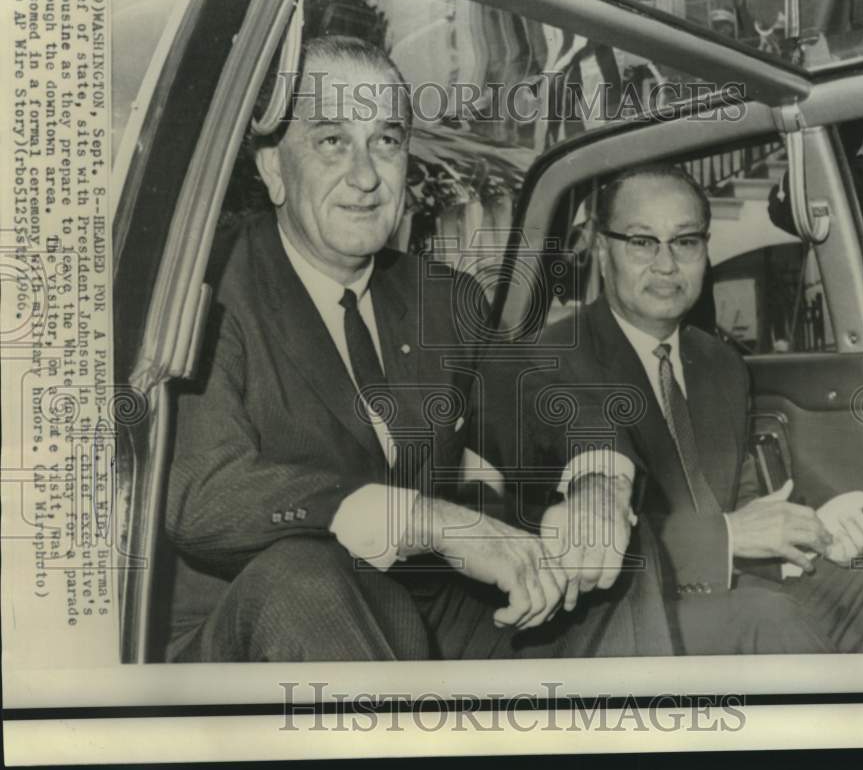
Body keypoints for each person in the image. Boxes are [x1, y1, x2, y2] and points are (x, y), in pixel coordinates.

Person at [163, 35, 675, 662]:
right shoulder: (212, 285)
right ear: (273, 168)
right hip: (254, 629)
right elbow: (203, 495)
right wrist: (436, 524)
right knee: (305, 575)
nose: (366, 176)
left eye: (386, 141)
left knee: (613, 558)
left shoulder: (437, 296)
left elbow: (553, 405)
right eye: (332, 141)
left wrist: (597, 488)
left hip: (413, 608)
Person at [508, 162, 863, 654]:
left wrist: (814, 528)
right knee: (765, 619)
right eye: (642, 242)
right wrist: (729, 536)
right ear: (603, 251)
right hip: (613, 615)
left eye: (686, 242)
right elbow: (557, 537)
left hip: (721, 582)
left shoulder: (719, 362)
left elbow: (739, 498)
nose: (666, 265)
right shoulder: (548, 364)